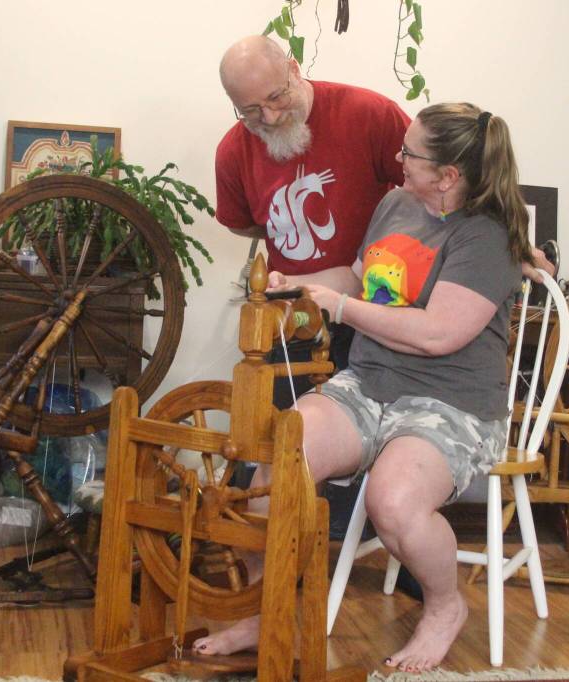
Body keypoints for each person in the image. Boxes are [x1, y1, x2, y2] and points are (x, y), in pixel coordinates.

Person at [195, 102, 535, 674]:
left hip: (451, 402)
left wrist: (343, 310)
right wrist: (298, 283)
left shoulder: (488, 236)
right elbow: (357, 276)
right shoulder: (397, 202)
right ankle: (261, 612)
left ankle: (445, 607)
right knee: (274, 465)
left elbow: (436, 335)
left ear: (448, 175)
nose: (398, 158)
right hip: (370, 383)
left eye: (411, 153)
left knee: (394, 502)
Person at [216, 35, 412, 398]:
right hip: (297, 316)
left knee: (372, 431)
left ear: (294, 69)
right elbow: (241, 222)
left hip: (376, 309)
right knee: (286, 431)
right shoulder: (232, 152)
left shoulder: (369, 114)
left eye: (276, 97)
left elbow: (432, 188)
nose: (270, 117)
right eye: (252, 111)